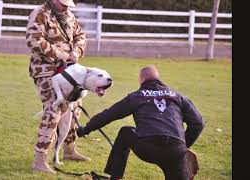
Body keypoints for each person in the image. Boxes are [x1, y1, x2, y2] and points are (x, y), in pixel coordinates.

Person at [77, 65, 205, 180]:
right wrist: (184, 145)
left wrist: (84, 130)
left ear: (141, 79)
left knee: (125, 132)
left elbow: (108, 115)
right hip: (175, 151)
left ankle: (115, 177)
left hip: (147, 147)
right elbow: (198, 123)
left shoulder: (137, 96)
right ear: (158, 78)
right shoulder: (178, 97)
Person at [26, 0, 90, 174]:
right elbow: (34, 40)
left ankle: (69, 150)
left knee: (75, 107)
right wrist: (62, 55)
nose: (67, 7)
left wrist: (76, 52)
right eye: (64, 4)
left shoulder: (67, 13)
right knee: (54, 109)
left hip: (69, 70)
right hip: (45, 71)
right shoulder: (40, 13)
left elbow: (80, 35)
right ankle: (40, 159)